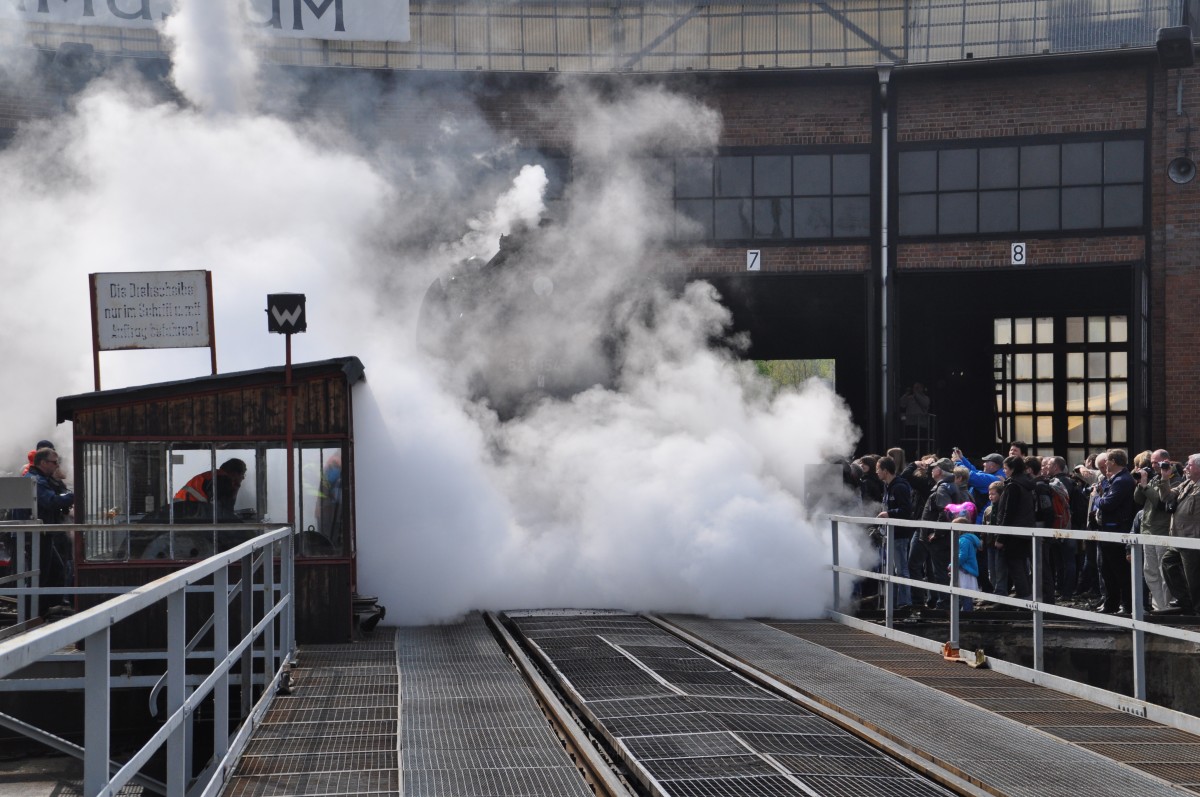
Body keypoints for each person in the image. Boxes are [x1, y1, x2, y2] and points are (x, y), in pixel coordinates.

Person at [26, 447, 74, 615]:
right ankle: (37, 612)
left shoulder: (41, 479)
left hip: (44, 534)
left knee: (55, 569)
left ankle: (47, 608)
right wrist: (75, 495)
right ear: (43, 463)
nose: (56, 465)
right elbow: (51, 501)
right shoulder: (37, 481)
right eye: (54, 462)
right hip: (37, 535)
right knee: (42, 573)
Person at [1093, 448, 1136, 615]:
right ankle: (1111, 604)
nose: (1105, 465)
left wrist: (1096, 497)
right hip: (1108, 530)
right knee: (1107, 569)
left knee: (1120, 571)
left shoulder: (1122, 481)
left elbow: (1108, 504)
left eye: (1107, 461)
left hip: (1116, 530)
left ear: (1113, 462)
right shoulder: (1115, 480)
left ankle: (1127, 607)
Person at [1133, 449, 1176, 612]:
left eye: (1156, 462)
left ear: (1166, 461)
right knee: (1150, 571)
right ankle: (1158, 605)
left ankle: (1165, 605)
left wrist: (1145, 486)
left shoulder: (1174, 479)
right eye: (1151, 462)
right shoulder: (1155, 479)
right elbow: (1138, 499)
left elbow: (1160, 503)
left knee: (1162, 570)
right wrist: (1141, 483)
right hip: (1148, 530)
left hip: (1162, 530)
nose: (1153, 466)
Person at [1159, 454, 1200, 613]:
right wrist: (1164, 477)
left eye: (1189, 465)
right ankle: (1185, 601)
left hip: (1193, 538)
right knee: (1168, 562)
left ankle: (1196, 609)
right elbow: (1166, 497)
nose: (1186, 468)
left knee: (1193, 577)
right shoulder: (1187, 484)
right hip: (1178, 537)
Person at [993, 454, 1037, 601]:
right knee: (1022, 566)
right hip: (1023, 531)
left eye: (1005, 468)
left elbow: (1008, 512)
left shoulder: (1013, 486)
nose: (1004, 471)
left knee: (1015, 566)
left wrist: (1001, 537)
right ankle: (1026, 595)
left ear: (1012, 469)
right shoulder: (1026, 484)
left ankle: (1024, 597)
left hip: (1013, 532)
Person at [876, 455, 914, 608]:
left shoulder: (899, 487)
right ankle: (894, 603)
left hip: (899, 534)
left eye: (878, 469)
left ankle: (905, 603)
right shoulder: (888, 486)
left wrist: (889, 514)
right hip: (890, 534)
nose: (877, 472)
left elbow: (906, 510)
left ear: (885, 470)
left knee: (901, 570)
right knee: (893, 570)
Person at [174, 458, 247, 521]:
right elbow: (223, 512)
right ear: (234, 474)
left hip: (180, 510)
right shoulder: (223, 480)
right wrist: (234, 489)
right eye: (242, 475)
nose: (243, 478)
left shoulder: (213, 476)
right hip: (187, 512)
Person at [952, 517, 983, 611]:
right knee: (966, 593)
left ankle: (966, 612)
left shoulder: (963, 540)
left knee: (964, 592)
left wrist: (952, 565)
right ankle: (966, 610)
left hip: (964, 570)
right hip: (968, 570)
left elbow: (962, 556)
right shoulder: (969, 539)